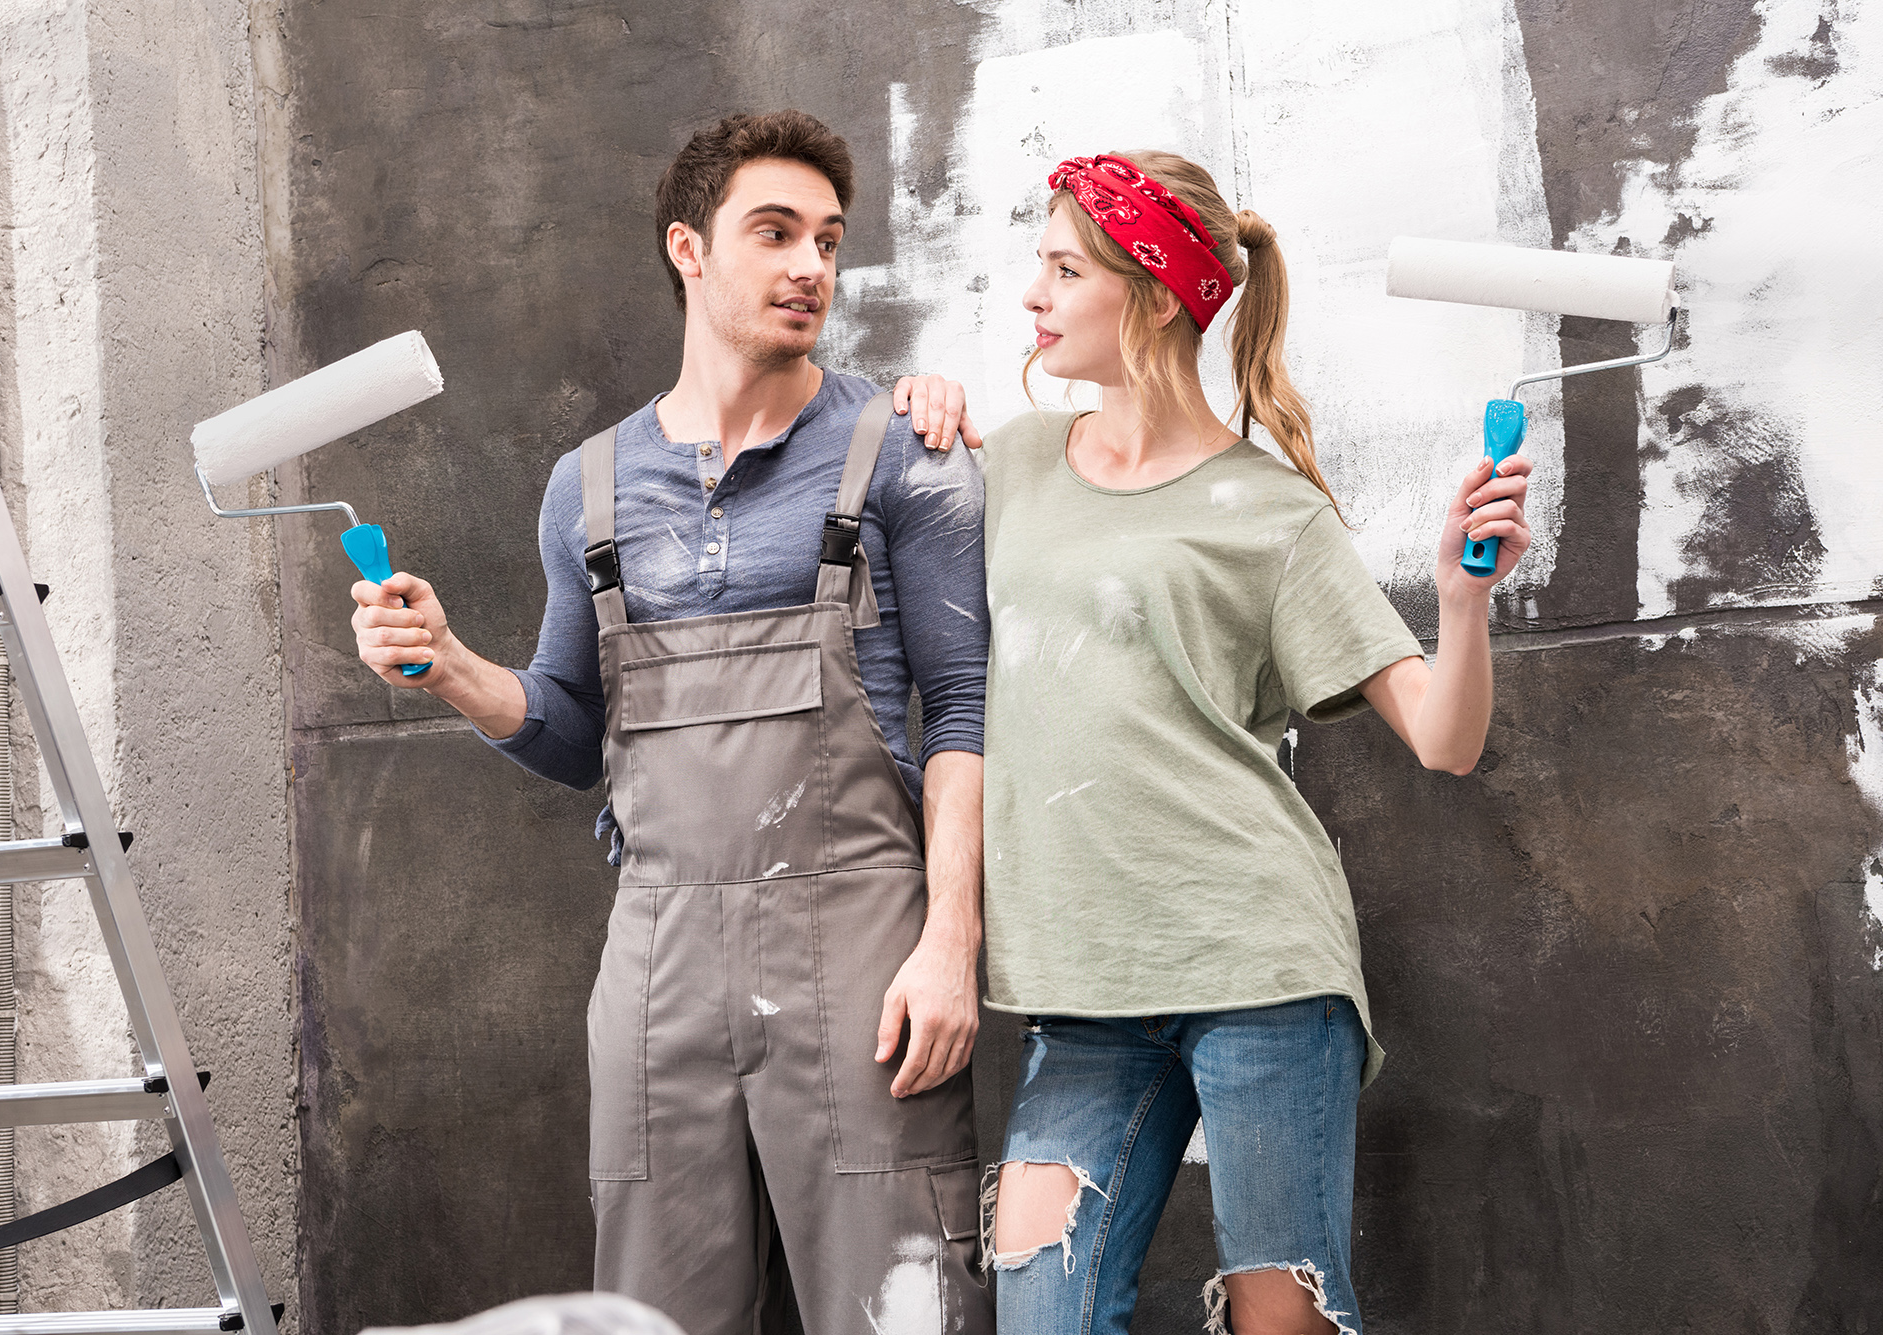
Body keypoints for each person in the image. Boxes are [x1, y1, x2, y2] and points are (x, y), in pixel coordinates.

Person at [349, 111, 994, 1335]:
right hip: (654, 968)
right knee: (655, 1314)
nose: (809, 264)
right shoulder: (588, 487)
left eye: (826, 239)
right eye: (773, 232)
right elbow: (570, 728)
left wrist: (949, 944)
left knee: (902, 1307)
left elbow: (962, 709)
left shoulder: (907, 452)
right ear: (688, 249)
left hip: (861, 948)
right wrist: (446, 667)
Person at [956, 152, 1534, 1334]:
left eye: (1064, 270)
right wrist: (915, 401)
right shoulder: (1012, 461)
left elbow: (1442, 739)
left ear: (1155, 294)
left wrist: (1459, 599)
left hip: (1256, 961)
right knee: (1040, 1311)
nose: (1033, 297)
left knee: (1284, 1320)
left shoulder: (1269, 512)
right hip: (1083, 982)